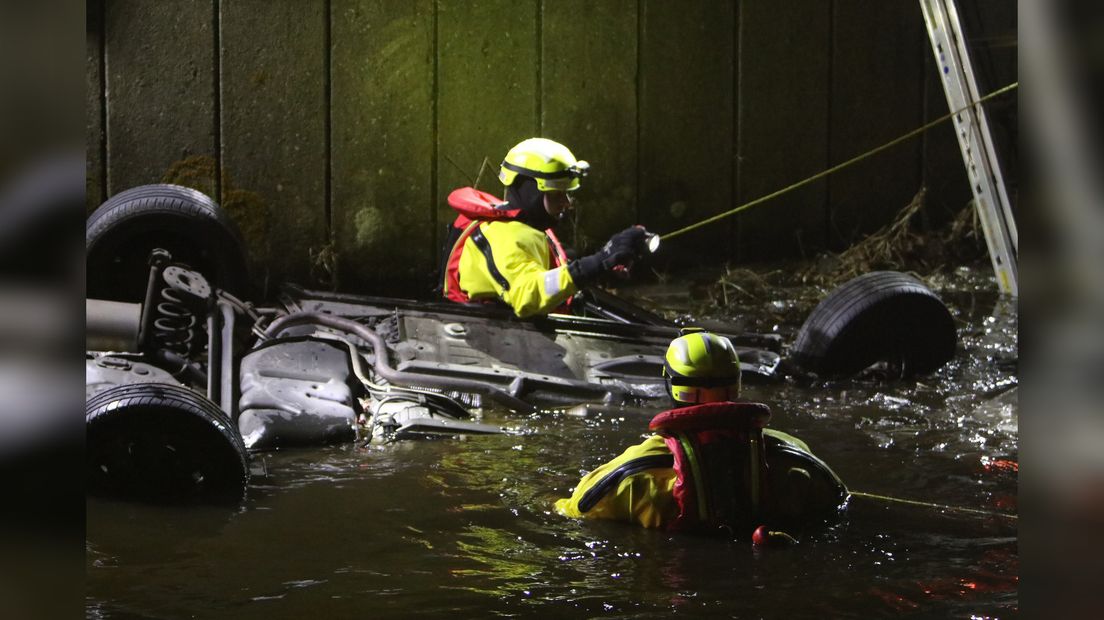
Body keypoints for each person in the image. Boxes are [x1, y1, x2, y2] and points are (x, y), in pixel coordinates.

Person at [554, 329, 849, 542]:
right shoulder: (795, 459)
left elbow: (575, 509)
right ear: (736, 384)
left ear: (670, 385)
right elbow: (840, 501)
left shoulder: (634, 476)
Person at [440, 137, 650, 318]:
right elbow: (527, 294)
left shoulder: (524, 224)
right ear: (531, 192)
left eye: (567, 194)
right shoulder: (501, 236)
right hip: (496, 337)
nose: (566, 203)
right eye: (556, 194)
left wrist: (604, 264)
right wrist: (598, 262)